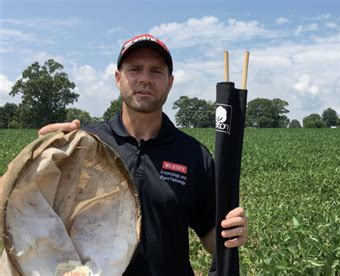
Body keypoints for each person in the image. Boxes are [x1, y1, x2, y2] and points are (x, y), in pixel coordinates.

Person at [38, 33, 248, 275]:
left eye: (156, 71)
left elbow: (211, 234)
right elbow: (37, 212)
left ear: (170, 82)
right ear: (118, 79)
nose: (145, 79)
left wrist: (231, 234)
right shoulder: (85, 145)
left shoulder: (194, 155)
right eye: (135, 69)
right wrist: (41, 157)